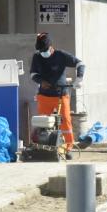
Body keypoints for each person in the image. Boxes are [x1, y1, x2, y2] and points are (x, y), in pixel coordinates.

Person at [30, 32, 85, 160]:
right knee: (42, 122)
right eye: (40, 50)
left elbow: (80, 64)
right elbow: (33, 75)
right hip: (44, 96)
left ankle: (67, 148)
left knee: (65, 121)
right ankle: (42, 147)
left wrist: (79, 78)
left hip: (61, 94)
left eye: (44, 50)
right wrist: (41, 82)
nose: (42, 53)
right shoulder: (37, 57)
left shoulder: (61, 55)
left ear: (51, 47)